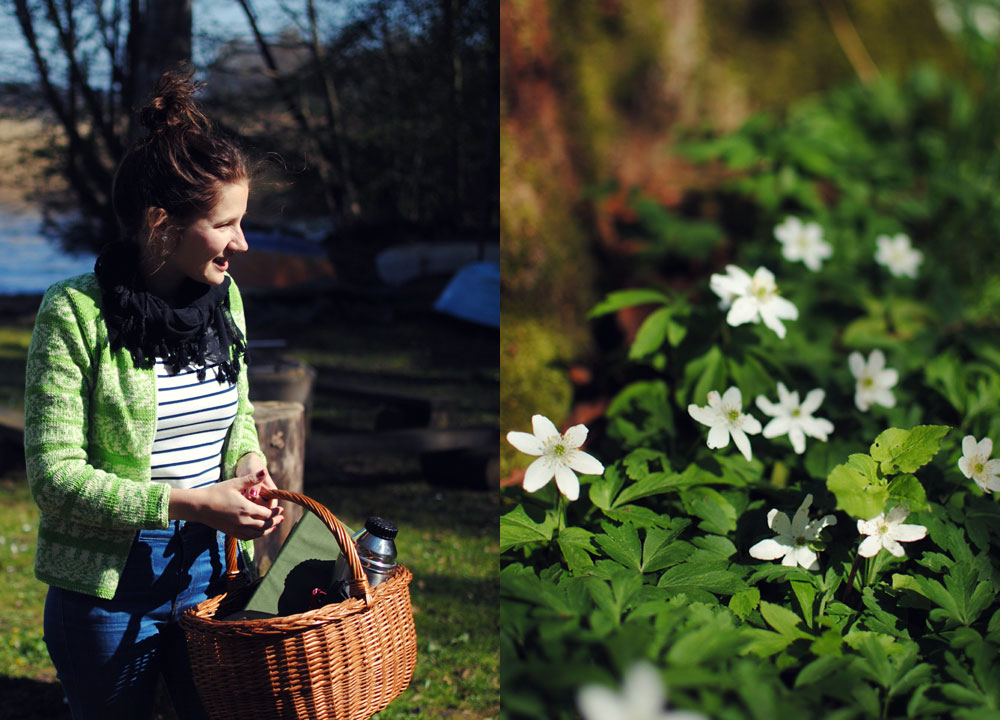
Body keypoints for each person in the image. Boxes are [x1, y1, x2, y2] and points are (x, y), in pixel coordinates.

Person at [23, 69, 284, 719]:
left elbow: (239, 413)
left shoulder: (227, 302)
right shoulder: (76, 313)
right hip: (107, 595)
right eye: (226, 224)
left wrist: (248, 463)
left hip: (213, 579)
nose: (242, 243)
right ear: (160, 222)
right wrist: (194, 502)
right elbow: (54, 478)